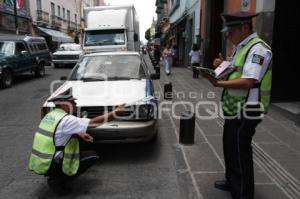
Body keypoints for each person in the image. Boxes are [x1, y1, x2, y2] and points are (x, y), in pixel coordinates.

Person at [203, 12, 272, 199]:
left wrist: (218, 84)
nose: (227, 36)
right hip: (235, 106)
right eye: (226, 33)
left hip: (248, 109)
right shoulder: (241, 47)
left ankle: (243, 192)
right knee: (230, 145)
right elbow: (234, 71)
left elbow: (248, 81)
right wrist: (221, 65)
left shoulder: (258, 50)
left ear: (244, 27)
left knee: (240, 149)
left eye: (230, 32)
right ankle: (231, 180)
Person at [28, 88, 125, 195]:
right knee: (93, 156)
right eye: (72, 102)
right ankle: (58, 180)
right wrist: (115, 112)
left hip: (42, 162)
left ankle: (55, 175)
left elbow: (57, 133)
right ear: (63, 104)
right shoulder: (67, 119)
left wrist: (79, 133)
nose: (75, 104)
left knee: (78, 144)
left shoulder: (51, 116)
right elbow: (93, 123)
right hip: (52, 164)